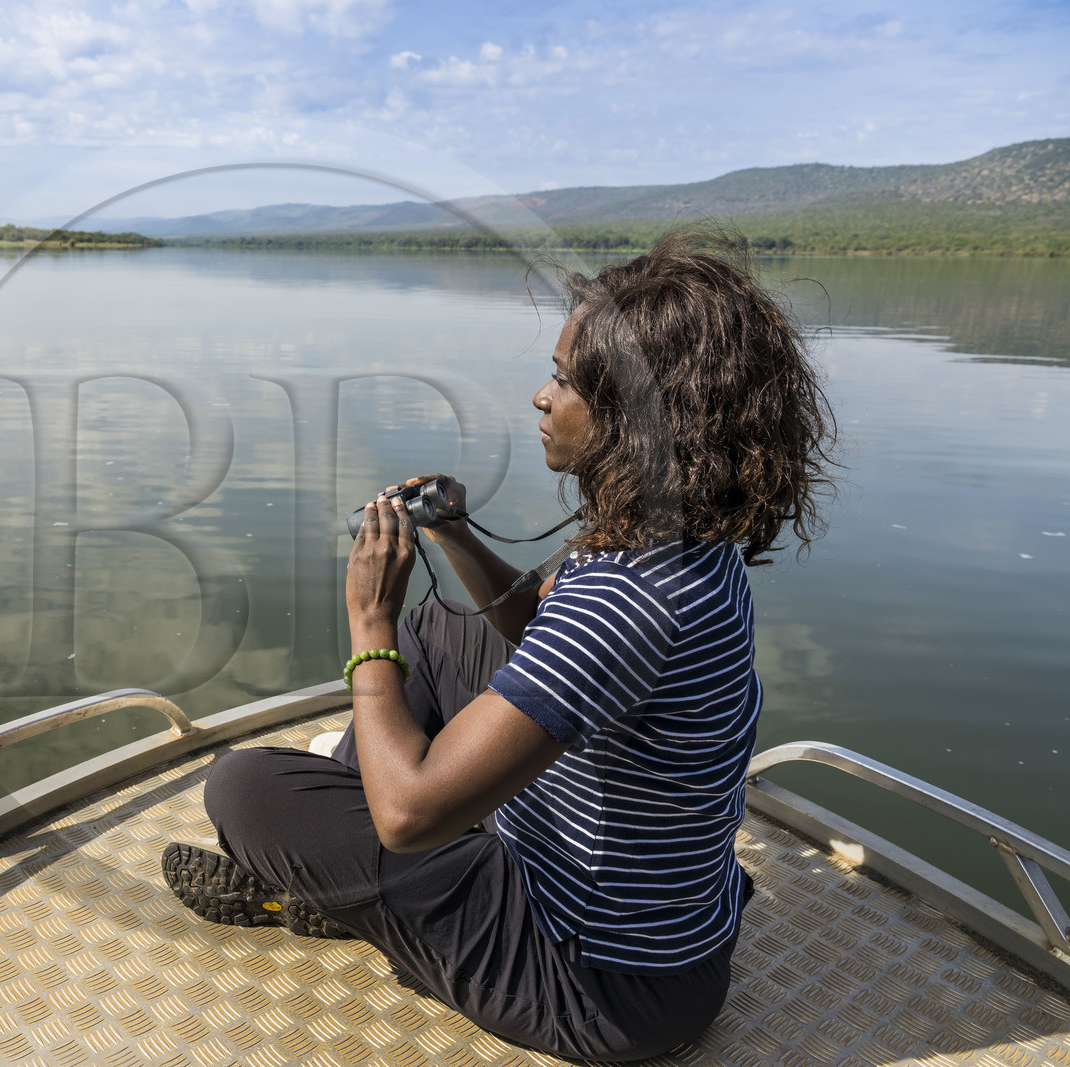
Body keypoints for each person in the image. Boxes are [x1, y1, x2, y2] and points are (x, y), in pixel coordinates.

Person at [162, 227, 835, 1061]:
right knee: (444, 629)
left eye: (562, 378)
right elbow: (547, 635)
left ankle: (341, 890)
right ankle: (352, 859)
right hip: (671, 957)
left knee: (248, 786)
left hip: (597, 988)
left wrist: (368, 623)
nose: (540, 397)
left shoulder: (627, 598)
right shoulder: (685, 543)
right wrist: (456, 537)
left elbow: (409, 819)